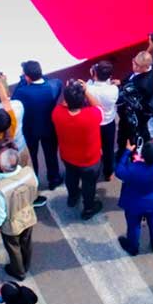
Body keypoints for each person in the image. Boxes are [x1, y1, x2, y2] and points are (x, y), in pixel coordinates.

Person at [52, 80, 105, 219]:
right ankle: (88, 208)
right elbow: (98, 106)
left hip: (68, 156)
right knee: (89, 185)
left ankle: (72, 197)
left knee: (71, 177)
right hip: (90, 160)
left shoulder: (57, 113)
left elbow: (63, 104)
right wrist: (85, 90)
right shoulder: (92, 115)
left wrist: (70, 90)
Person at [12, 60, 63, 189]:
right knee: (51, 155)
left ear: (27, 77)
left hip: (30, 130)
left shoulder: (22, 92)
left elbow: (14, 97)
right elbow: (56, 82)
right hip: (49, 128)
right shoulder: (52, 87)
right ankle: (54, 179)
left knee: (32, 157)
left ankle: (34, 181)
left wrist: (22, 81)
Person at [0, 148, 38, 280]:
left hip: (11, 224)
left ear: (2, 166)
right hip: (28, 215)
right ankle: (26, 264)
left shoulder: (0, 188)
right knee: (26, 242)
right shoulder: (28, 173)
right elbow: (35, 187)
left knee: (13, 248)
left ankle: (18, 271)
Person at [116, 141, 153, 255]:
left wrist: (127, 152)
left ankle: (133, 248)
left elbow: (118, 171)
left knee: (133, 226)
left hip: (133, 203)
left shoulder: (132, 168)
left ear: (142, 155)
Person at [86, 61, 119, 179]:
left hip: (94, 123)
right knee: (109, 148)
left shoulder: (89, 88)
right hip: (109, 122)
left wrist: (92, 77)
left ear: (95, 74)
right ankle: (108, 172)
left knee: (93, 147)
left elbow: (89, 85)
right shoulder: (114, 89)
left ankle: (93, 171)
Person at [117, 49, 153, 147]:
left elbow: (121, 96)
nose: (134, 66)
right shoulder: (151, 67)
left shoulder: (141, 85)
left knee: (130, 136)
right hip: (140, 110)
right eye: (134, 62)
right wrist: (121, 82)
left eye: (138, 65)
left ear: (146, 66)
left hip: (136, 115)